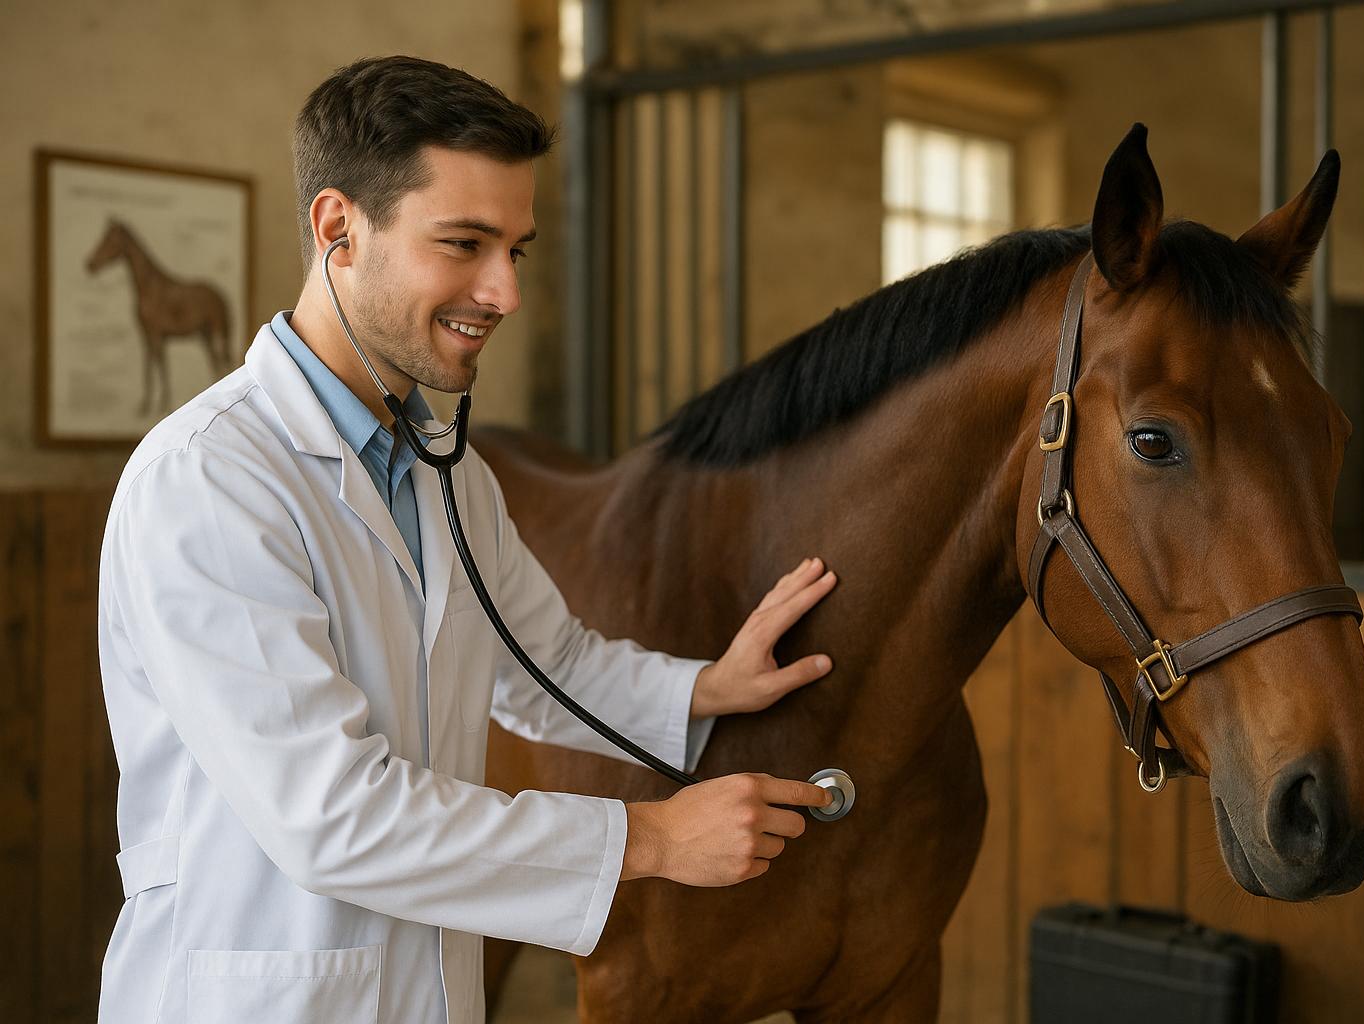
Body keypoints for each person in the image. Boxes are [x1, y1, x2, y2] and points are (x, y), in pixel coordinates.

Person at [97, 55, 837, 1024]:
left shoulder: (444, 466)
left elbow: (539, 661)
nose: (503, 293)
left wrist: (705, 687)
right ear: (338, 230)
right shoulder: (210, 477)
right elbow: (331, 816)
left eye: (516, 250)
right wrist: (646, 839)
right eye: (463, 244)